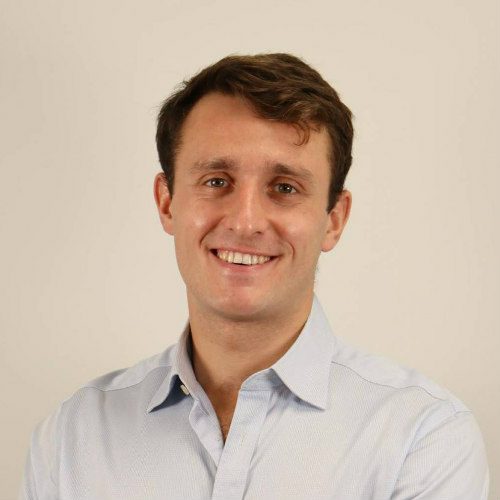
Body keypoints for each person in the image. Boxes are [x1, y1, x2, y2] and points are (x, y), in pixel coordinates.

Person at [19, 53, 489, 500]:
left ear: (334, 219)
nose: (245, 222)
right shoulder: (72, 438)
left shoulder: (421, 437)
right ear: (167, 203)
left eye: (284, 188)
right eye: (216, 181)